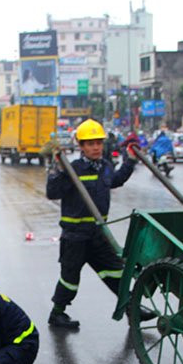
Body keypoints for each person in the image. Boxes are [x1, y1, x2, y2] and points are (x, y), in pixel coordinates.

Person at [45, 119, 153, 329]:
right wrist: (57, 169)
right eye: (90, 143)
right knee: (70, 278)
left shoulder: (105, 166)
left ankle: (131, 307)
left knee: (116, 272)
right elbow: (52, 193)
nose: (96, 147)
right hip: (75, 236)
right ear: (81, 146)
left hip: (98, 234)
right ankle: (57, 313)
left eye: (98, 143)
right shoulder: (72, 168)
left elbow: (116, 180)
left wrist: (130, 161)